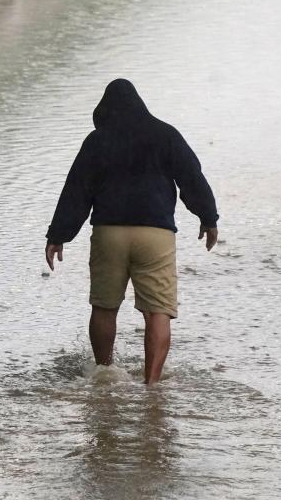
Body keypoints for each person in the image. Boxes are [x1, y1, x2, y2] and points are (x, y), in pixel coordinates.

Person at [45, 79, 219, 384]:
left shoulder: (97, 141)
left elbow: (76, 191)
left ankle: (104, 372)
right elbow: (192, 177)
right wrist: (208, 217)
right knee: (157, 312)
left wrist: (58, 235)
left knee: (104, 307)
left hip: (109, 233)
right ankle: (152, 384)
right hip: (155, 235)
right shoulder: (166, 135)